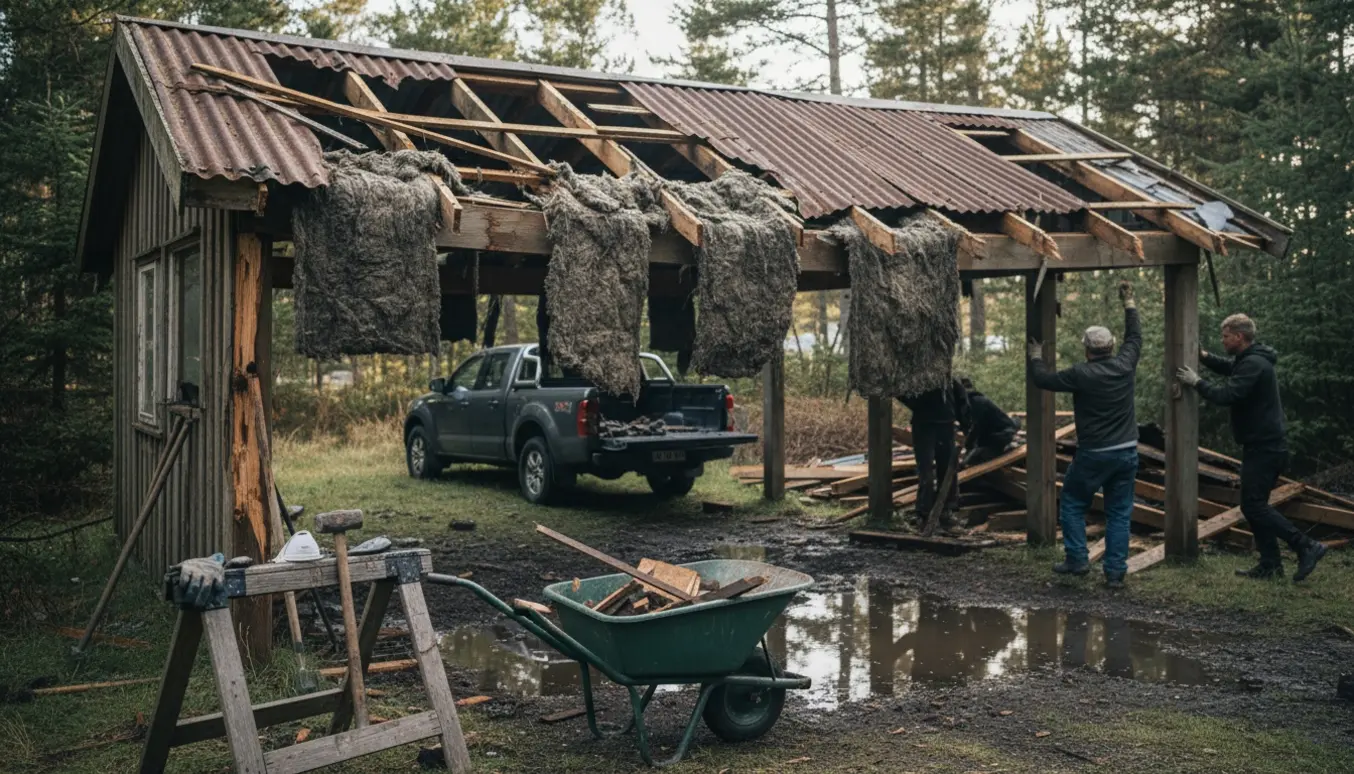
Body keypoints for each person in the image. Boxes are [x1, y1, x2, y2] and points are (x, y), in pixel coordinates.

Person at [1176, 314, 1326, 582]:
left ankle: (1306, 546)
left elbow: (1228, 394)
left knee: (1254, 505)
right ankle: (1270, 564)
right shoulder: (1251, 359)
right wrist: (1205, 356)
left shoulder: (1254, 364)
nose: (1222, 341)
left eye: (1225, 336)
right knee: (1254, 505)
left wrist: (1196, 382)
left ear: (1239, 337)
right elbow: (1230, 367)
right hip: (1263, 445)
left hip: (1266, 448)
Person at [1027, 280, 1141, 589]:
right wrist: (1128, 303)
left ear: (1086, 349)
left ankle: (1077, 560)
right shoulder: (1125, 365)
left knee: (1073, 501)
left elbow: (1043, 380)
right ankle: (1115, 574)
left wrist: (1035, 355)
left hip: (1094, 454)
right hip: (1127, 451)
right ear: (1111, 346)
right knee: (1119, 512)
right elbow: (1135, 337)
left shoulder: (1081, 374)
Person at [898, 377, 969, 529]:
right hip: (924, 424)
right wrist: (918, 405)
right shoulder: (918, 375)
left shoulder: (946, 376)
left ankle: (946, 513)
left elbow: (962, 397)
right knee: (926, 471)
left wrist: (964, 422)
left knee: (948, 469)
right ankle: (923, 515)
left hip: (945, 423)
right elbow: (899, 390)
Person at [959, 377, 1020, 467]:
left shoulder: (977, 402)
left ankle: (1004, 448)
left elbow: (978, 428)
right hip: (997, 434)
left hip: (1001, 436)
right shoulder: (973, 402)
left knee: (971, 460)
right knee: (972, 456)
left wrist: (969, 446)